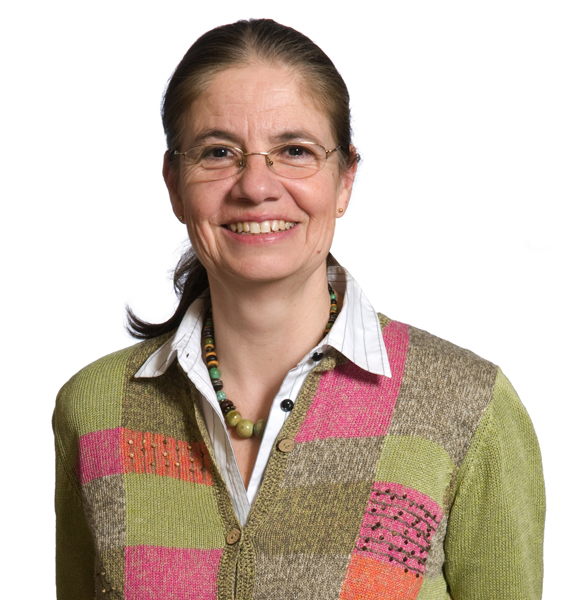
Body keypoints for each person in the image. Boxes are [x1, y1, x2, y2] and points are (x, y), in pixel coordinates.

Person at [53, 18, 545, 600]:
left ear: (345, 180)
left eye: (294, 151)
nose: (256, 187)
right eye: (218, 152)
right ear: (175, 184)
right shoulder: (94, 408)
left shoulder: (469, 408)